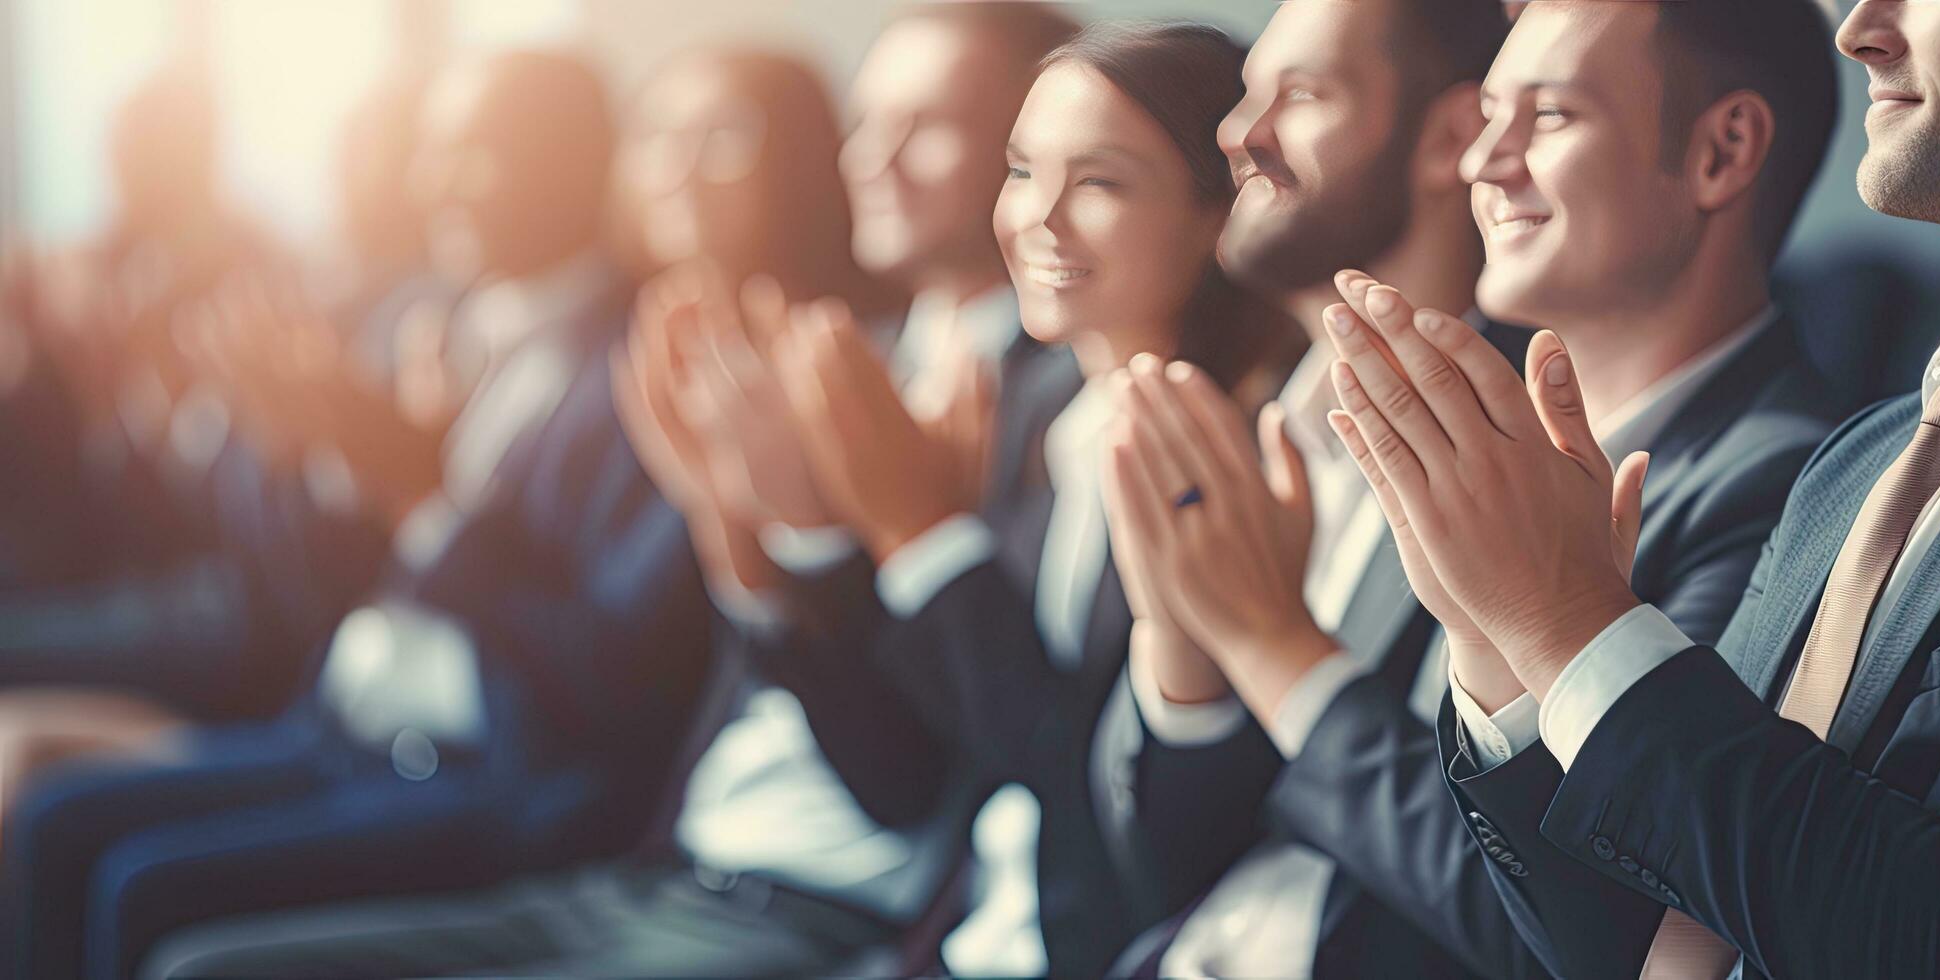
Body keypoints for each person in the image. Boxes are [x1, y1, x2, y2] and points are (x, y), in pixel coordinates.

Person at [137, 7, 1082, 973]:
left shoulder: (1040, 403)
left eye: (929, 126)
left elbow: (646, 688)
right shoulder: (822, 355)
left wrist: (796, 539)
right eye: (868, 122)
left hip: (791, 890)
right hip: (670, 854)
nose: (875, 158)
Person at [1318, 0, 1940, 976]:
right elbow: (1648, 931)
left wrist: (1567, 620)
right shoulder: (1856, 457)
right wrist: (1496, 636)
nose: (1858, 31)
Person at [1100, 1, 1850, 976]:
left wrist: (1274, 646)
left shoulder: (1788, 487)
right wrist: (1184, 635)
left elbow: (1595, 923)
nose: (1478, 163)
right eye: (1486, 116)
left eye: (1544, 118)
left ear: (1721, 152)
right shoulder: (1473, 425)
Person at [2, 50, 717, 980]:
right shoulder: (437, 324)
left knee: (145, 884)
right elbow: (326, 587)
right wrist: (313, 455)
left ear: (574, 161)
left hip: (483, 766)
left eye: (473, 154)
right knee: (60, 819)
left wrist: (414, 492)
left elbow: (599, 671)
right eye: (432, 153)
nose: (434, 185)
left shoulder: (629, 369)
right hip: (344, 719)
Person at [748, 22, 1299, 977]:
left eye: (1098, 182)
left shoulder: (1238, 457)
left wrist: (924, 536)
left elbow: (1100, 795)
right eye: (1019, 171)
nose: (1037, 218)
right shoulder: (1032, 408)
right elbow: (932, 749)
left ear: (1218, 216)